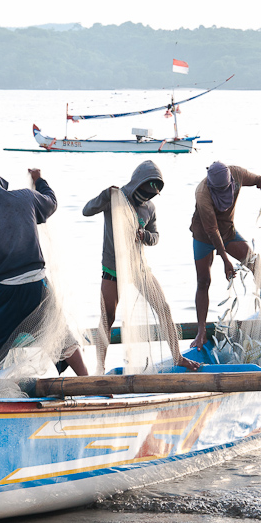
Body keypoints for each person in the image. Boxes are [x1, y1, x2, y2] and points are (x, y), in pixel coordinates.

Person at [0, 168, 87, 379]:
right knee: (61, 336)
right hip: (37, 286)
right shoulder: (25, 197)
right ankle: (88, 381)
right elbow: (51, 202)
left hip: (6, 292)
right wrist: (39, 180)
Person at [83, 160, 202, 374]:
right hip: (113, 270)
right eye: (143, 193)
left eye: (150, 196)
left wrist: (144, 235)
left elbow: (156, 237)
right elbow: (86, 211)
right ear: (136, 184)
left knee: (163, 308)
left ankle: (178, 357)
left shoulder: (150, 209)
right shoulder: (115, 199)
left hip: (139, 268)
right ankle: (99, 367)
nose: (145, 198)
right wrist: (104, 195)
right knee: (106, 318)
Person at [189, 161, 261, 349]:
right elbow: (212, 230)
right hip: (204, 236)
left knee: (255, 264)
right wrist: (226, 260)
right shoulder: (202, 193)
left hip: (228, 232)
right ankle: (201, 332)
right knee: (203, 281)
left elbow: (259, 180)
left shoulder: (236, 174)